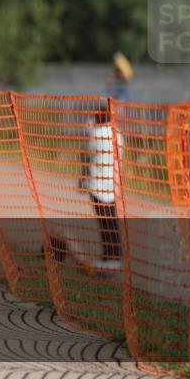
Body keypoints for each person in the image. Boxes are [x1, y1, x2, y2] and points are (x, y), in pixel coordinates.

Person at [81, 102, 123, 271]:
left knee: (103, 223)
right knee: (112, 222)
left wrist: (81, 181)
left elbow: (86, 157)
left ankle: (108, 257)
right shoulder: (117, 135)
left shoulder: (95, 134)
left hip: (97, 186)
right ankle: (115, 256)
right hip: (112, 186)